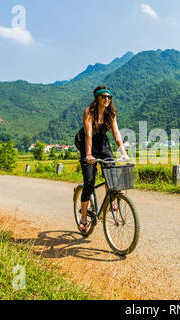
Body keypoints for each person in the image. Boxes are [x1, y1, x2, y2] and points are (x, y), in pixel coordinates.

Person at [78, 86, 129, 232]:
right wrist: (88, 155)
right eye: (103, 97)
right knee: (89, 182)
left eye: (109, 97)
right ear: (97, 98)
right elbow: (88, 134)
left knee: (112, 174)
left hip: (103, 145)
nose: (107, 99)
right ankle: (83, 217)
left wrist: (124, 152)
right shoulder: (89, 111)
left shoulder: (111, 112)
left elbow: (116, 133)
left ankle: (111, 200)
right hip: (88, 145)